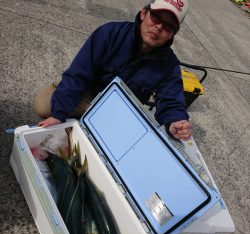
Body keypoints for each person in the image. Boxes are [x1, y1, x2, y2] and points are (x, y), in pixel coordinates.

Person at [35, 0, 191, 141]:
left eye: (169, 26)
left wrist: (175, 121)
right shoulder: (109, 32)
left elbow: (172, 99)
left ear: (173, 33)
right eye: (156, 17)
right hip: (88, 95)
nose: (159, 27)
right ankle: (77, 109)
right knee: (43, 106)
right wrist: (59, 113)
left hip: (121, 111)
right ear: (144, 13)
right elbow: (78, 73)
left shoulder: (170, 65)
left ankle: (94, 122)